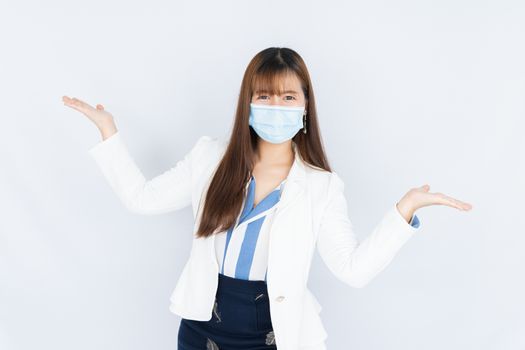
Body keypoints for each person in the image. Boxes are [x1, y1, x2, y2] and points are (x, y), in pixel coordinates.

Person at [62, 47, 472, 350]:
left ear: (305, 108)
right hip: (203, 326)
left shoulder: (321, 186)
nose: (276, 106)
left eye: (288, 97)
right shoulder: (210, 157)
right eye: (264, 96)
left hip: (273, 333)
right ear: (248, 105)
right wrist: (108, 133)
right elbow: (142, 199)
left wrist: (405, 211)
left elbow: (352, 270)